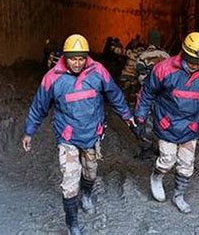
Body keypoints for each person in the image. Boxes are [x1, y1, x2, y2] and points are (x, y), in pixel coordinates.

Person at [22, 34, 136, 234]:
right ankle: (73, 225)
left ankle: (86, 194)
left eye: (81, 58)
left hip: (92, 134)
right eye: (73, 58)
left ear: (86, 57)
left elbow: (114, 94)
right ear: (65, 57)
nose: (77, 63)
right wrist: (29, 132)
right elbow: (39, 106)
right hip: (67, 138)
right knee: (69, 182)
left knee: (90, 171)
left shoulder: (98, 72)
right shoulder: (53, 78)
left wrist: (127, 115)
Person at [133, 32, 199, 213]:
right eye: (191, 60)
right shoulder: (164, 69)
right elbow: (147, 94)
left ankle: (179, 195)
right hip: (167, 123)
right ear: (184, 53)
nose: (194, 65)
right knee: (167, 160)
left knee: (186, 164)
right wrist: (140, 118)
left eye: (198, 62)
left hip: (190, 126)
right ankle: (157, 176)